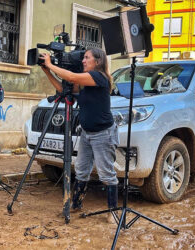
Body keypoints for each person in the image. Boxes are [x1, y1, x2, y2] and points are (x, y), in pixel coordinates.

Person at [39, 48, 119, 222]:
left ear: (97, 62)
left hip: (103, 134)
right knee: (81, 170)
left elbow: (72, 77)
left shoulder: (99, 77)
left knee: (106, 174)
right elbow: (63, 89)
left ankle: (113, 212)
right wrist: (47, 71)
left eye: (86, 58)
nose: (83, 60)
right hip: (87, 133)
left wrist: (51, 64)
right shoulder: (85, 84)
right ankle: (76, 205)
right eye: (82, 57)